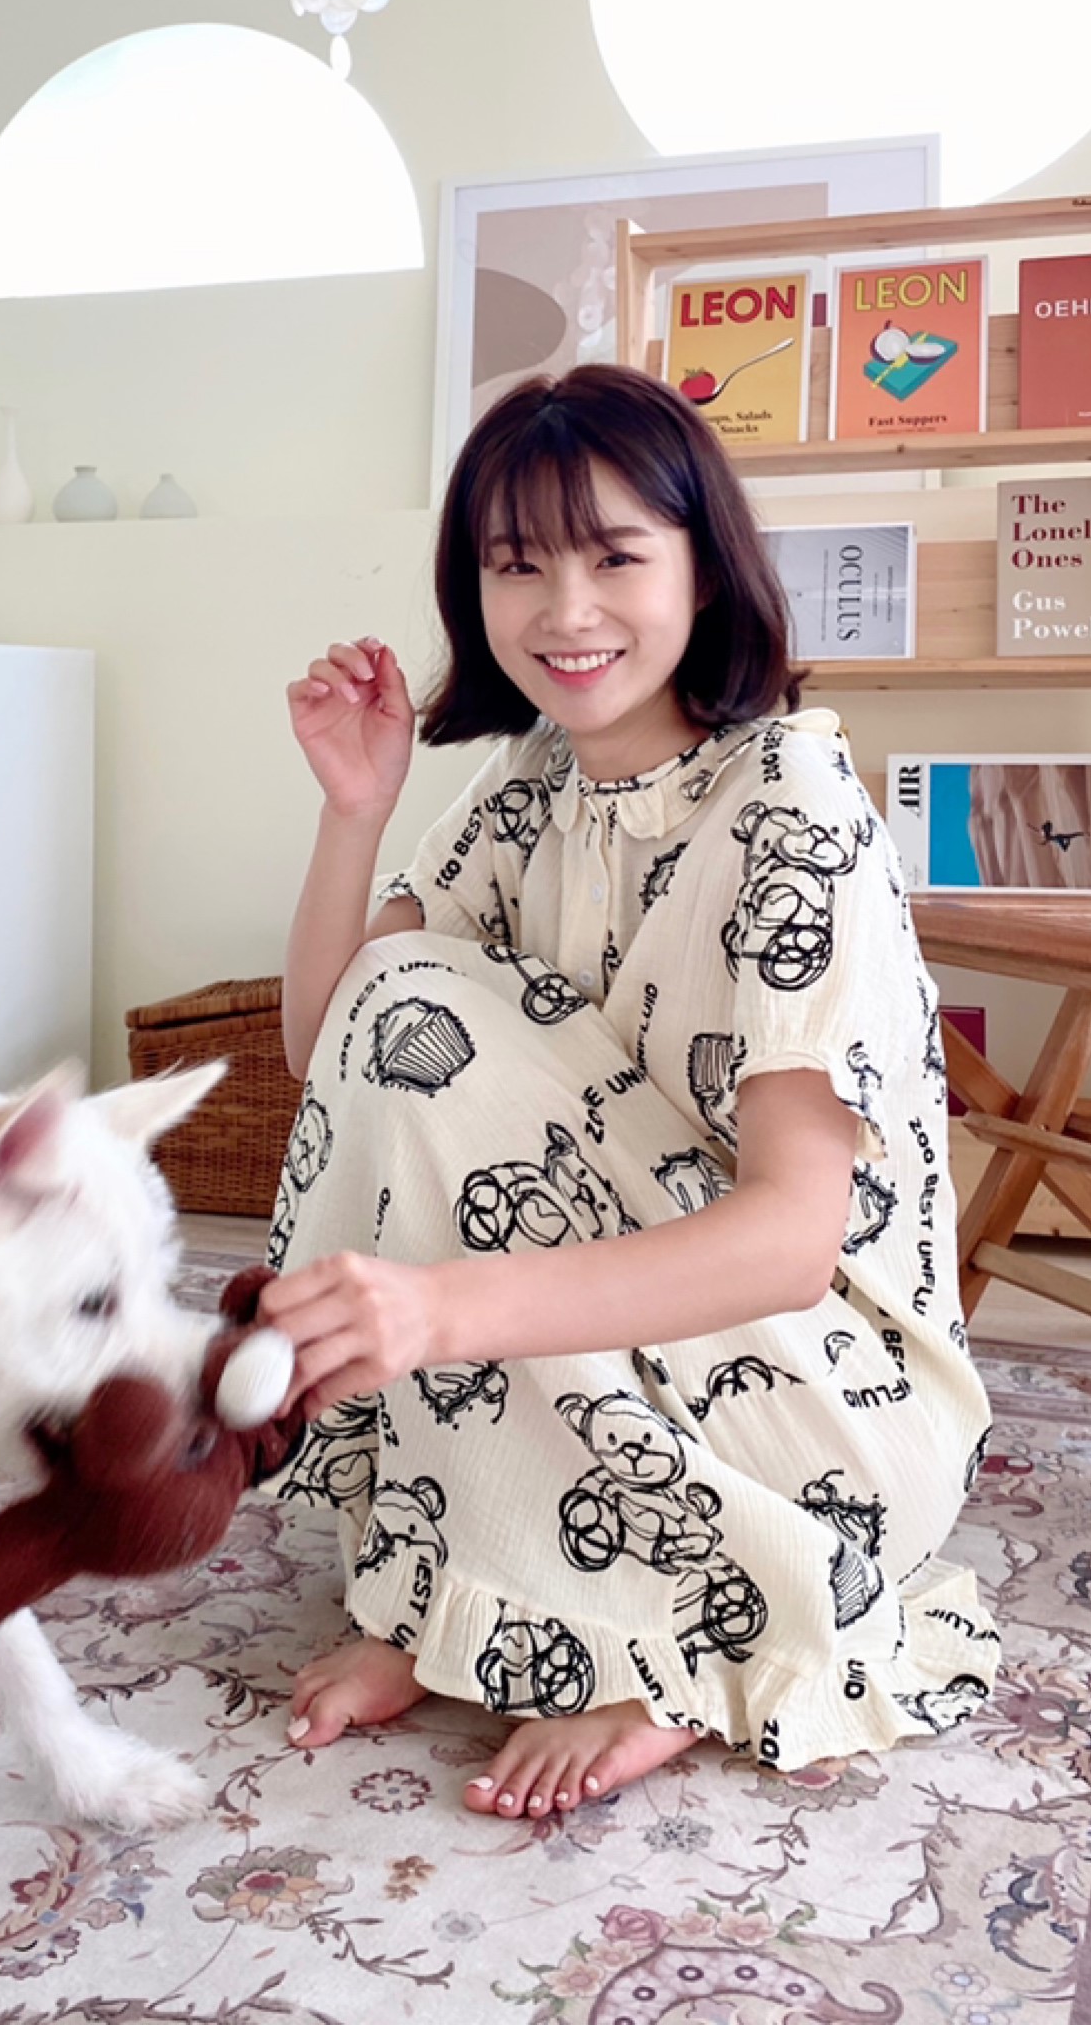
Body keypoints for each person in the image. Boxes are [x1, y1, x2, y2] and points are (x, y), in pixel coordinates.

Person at [258, 364, 998, 1821]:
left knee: (434, 1050)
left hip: (817, 1416)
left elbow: (791, 1243)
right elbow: (327, 1049)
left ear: (704, 571)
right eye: (517, 566)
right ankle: (462, 1594)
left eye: (614, 557)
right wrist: (355, 811)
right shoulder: (534, 785)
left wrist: (440, 1312)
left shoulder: (791, 806)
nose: (565, 610)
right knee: (405, 1011)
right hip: (640, 1345)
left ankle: (651, 1647)